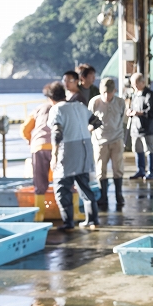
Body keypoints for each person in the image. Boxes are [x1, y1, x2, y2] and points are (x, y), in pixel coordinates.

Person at [46, 81, 102, 231]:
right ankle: (93, 219)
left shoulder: (56, 109)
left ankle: (68, 222)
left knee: (62, 188)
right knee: (84, 186)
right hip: (85, 149)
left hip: (68, 150)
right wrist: (86, 131)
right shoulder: (79, 105)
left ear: (51, 98)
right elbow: (97, 122)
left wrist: (54, 155)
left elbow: (57, 133)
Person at [89, 78, 126, 207]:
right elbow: (89, 120)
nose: (106, 95)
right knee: (100, 169)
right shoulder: (94, 102)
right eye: (104, 92)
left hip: (117, 139)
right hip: (100, 141)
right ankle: (103, 196)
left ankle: (118, 194)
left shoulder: (121, 102)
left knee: (118, 168)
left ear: (114, 91)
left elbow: (123, 119)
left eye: (109, 93)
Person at [20, 84, 53, 220]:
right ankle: (68, 212)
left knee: (39, 182)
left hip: (38, 147)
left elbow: (24, 129)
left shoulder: (39, 109)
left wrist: (30, 140)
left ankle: (40, 214)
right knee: (62, 180)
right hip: (57, 146)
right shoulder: (63, 107)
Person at [127, 73, 153, 180]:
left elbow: (151, 112)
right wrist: (130, 112)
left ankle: (151, 171)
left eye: (136, 84)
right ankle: (140, 170)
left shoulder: (149, 95)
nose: (134, 87)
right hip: (135, 128)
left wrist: (138, 113)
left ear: (142, 82)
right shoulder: (134, 95)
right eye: (133, 85)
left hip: (146, 128)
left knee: (148, 149)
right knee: (137, 149)